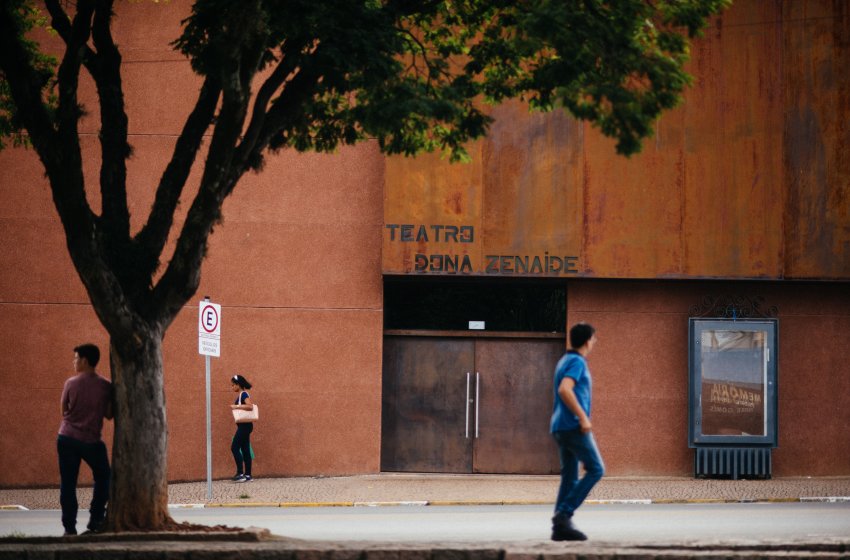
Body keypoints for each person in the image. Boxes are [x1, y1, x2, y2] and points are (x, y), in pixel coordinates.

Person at [549, 322, 605, 541]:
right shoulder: (577, 362)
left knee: (570, 476)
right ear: (587, 341)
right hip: (573, 425)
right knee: (596, 469)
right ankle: (564, 515)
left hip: (560, 425)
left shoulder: (564, 360)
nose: (595, 342)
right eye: (594, 338)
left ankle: (559, 527)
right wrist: (583, 417)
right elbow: (565, 389)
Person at [57, 343, 113, 536]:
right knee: (104, 476)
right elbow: (109, 414)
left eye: (76, 358)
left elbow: (63, 409)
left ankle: (69, 527)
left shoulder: (70, 383)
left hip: (67, 438)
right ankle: (96, 516)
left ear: (84, 361)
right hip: (91, 441)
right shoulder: (106, 386)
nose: (74, 362)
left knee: (68, 483)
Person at [230, 374, 255, 482]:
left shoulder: (244, 394)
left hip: (244, 426)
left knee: (234, 447)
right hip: (245, 426)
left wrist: (236, 406)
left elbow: (250, 406)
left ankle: (240, 474)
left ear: (238, 385)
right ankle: (248, 475)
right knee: (245, 449)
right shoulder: (242, 394)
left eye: (232, 385)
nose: (232, 387)